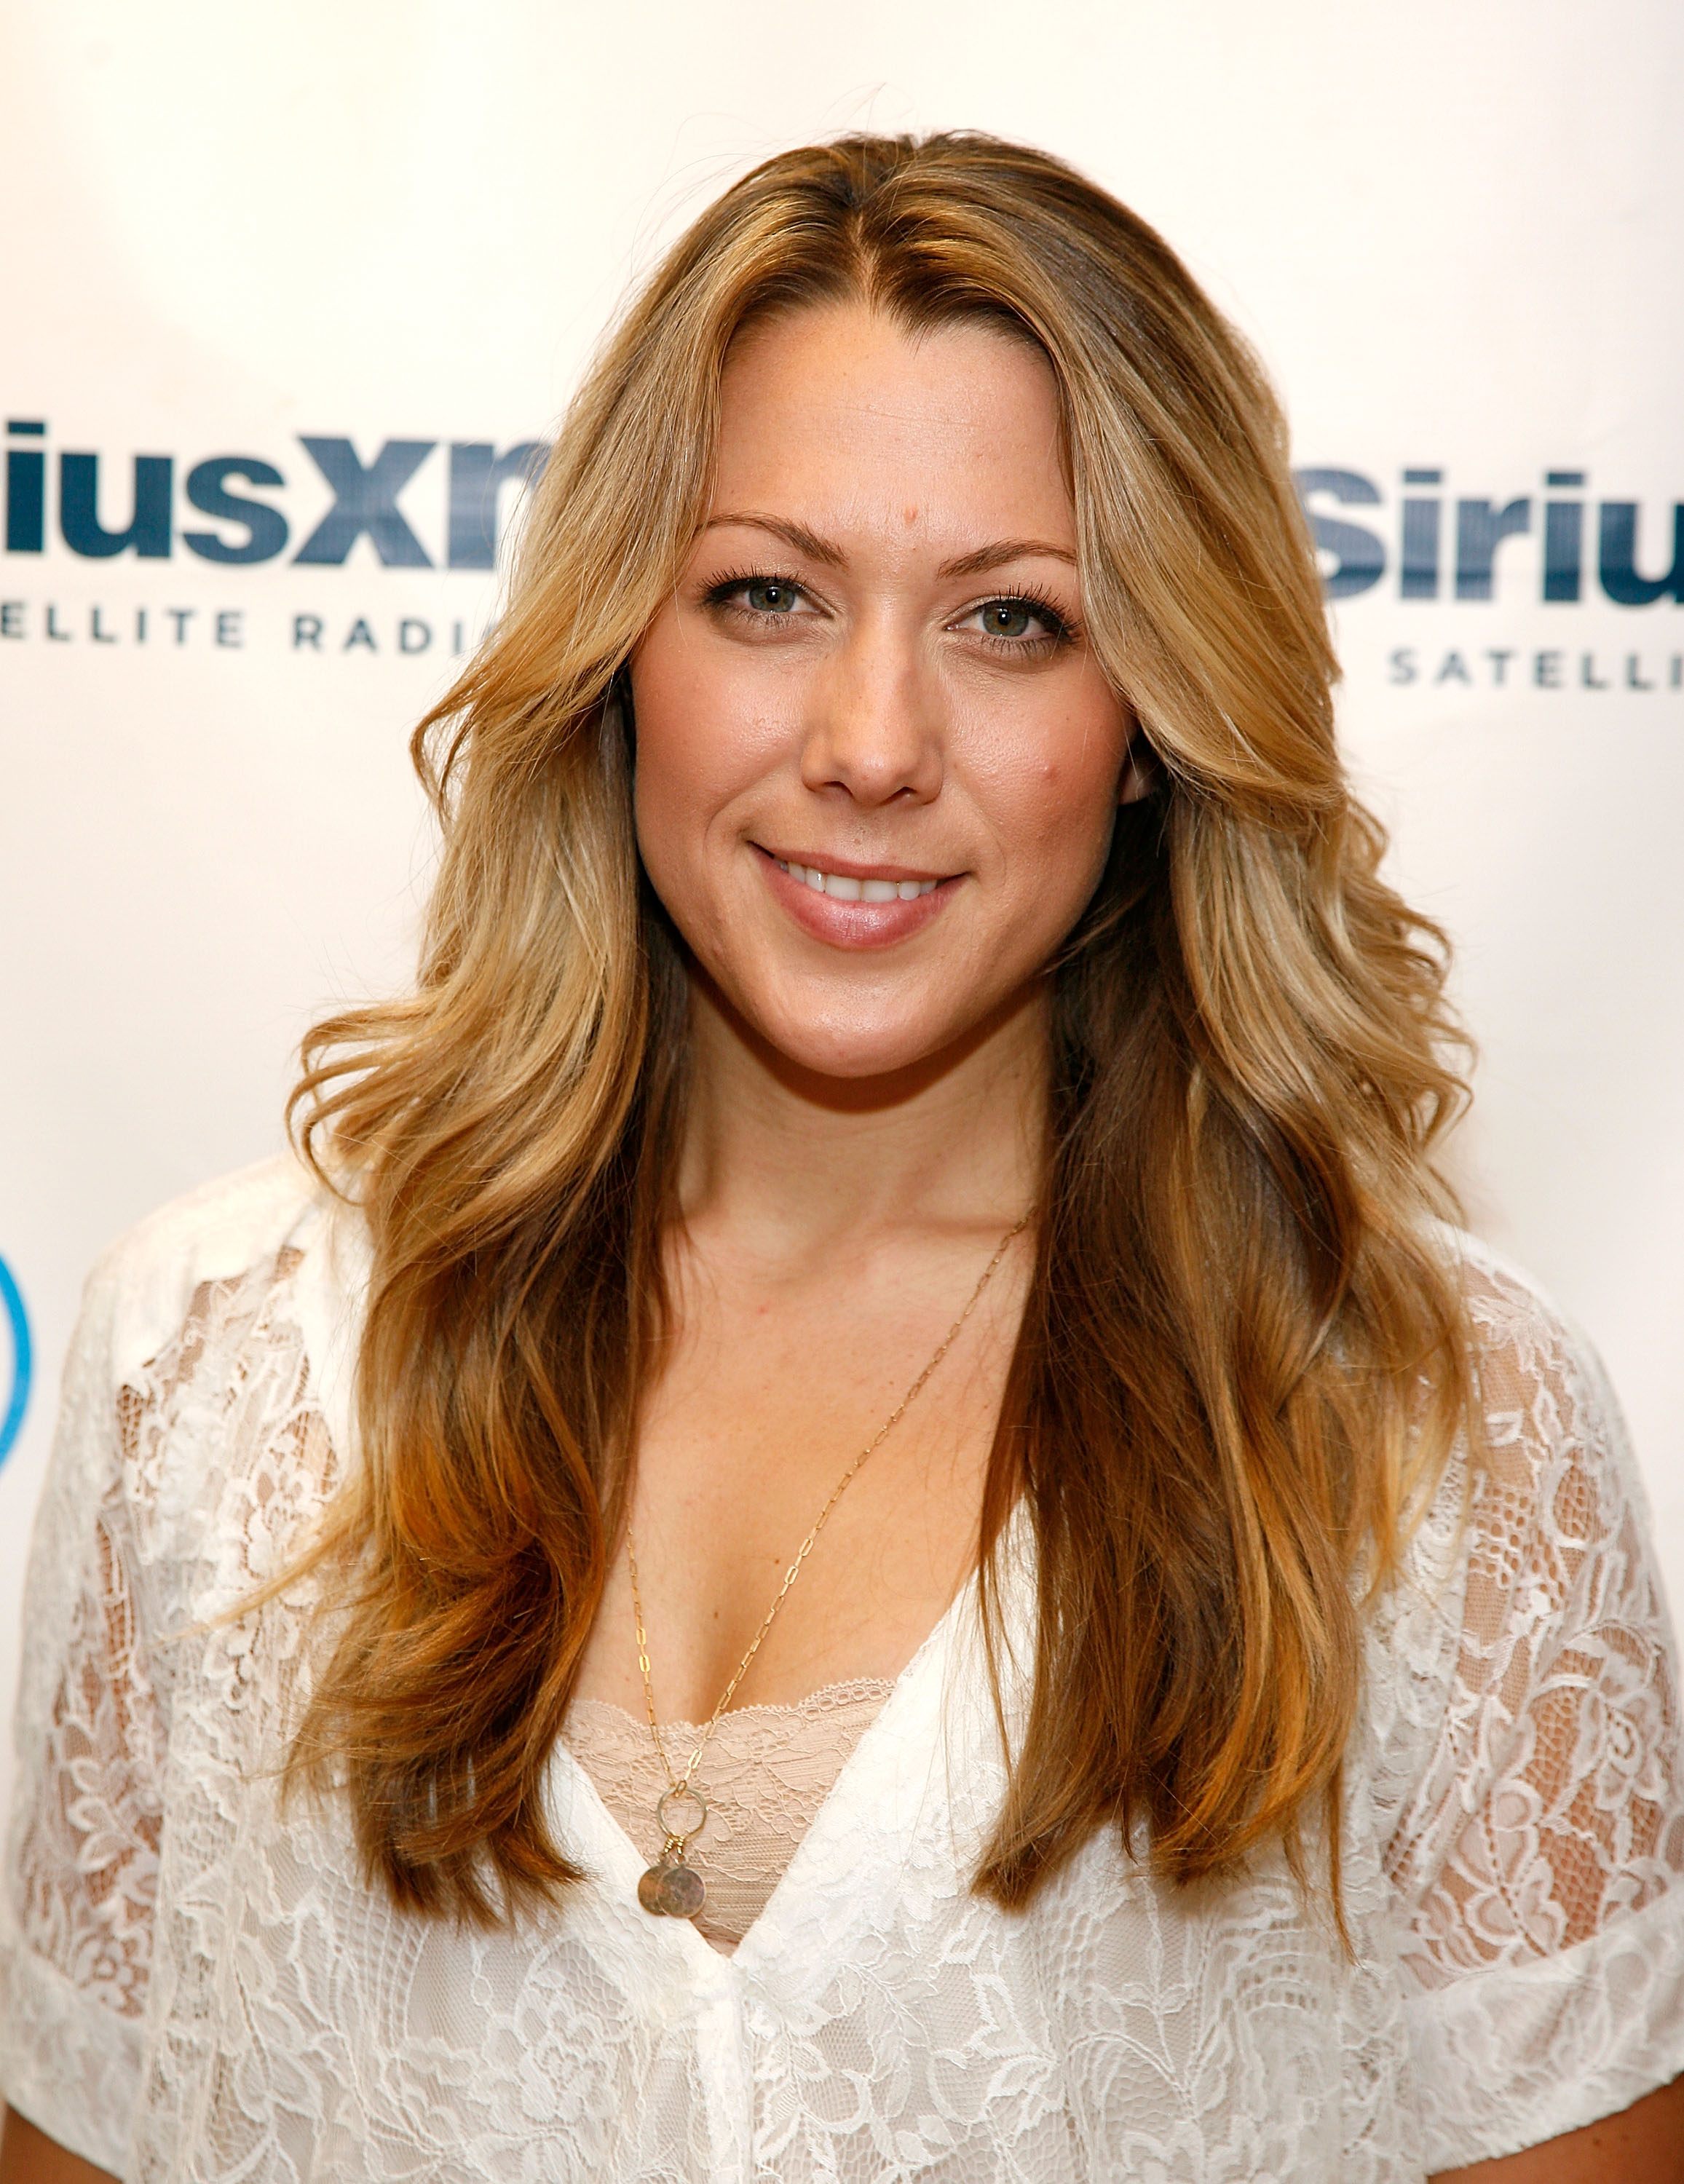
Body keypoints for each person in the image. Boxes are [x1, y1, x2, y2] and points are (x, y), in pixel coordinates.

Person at [1, 131, 1680, 2183]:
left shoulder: (1431, 1427)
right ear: (622, 650)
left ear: (1153, 726)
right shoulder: (205, 1362)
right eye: (767, 596)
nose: (872, 745)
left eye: (1013, 621)